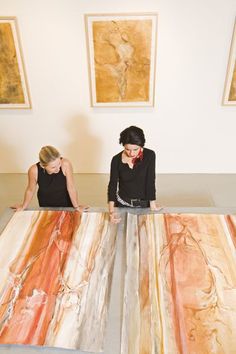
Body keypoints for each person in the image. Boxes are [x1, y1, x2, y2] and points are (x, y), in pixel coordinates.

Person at [108, 126, 161, 223]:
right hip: (122, 203)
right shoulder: (116, 160)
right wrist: (111, 211)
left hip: (144, 204)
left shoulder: (150, 155)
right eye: (127, 149)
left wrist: (152, 204)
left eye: (135, 149)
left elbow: (150, 181)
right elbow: (112, 185)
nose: (131, 153)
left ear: (141, 145)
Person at [12, 145, 84, 211]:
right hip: (46, 205)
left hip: (66, 204)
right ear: (43, 166)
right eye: (53, 167)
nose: (58, 169)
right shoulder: (34, 170)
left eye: (59, 163)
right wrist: (23, 206)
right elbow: (30, 190)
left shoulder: (66, 164)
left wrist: (76, 207)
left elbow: (71, 187)